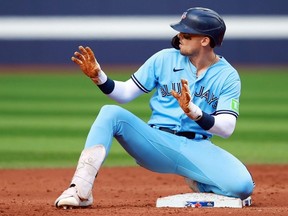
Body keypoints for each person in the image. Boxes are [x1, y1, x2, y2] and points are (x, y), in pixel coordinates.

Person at [55, 7, 254, 209]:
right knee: (111, 113)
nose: (179, 37)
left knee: (242, 187)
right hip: (156, 143)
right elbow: (125, 93)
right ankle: (79, 190)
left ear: (205, 40)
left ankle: (199, 180)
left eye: (186, 34)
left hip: (197, 147)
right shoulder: (164, 59)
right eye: (179, 32)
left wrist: (194, 112)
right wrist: (100, 78)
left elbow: (227, 127)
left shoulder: (228, 76)